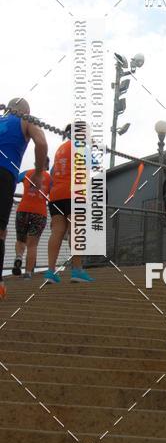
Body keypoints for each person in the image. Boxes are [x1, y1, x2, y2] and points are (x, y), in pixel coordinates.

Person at [0, 99, 48, 298]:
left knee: (19, 239)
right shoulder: (25, 119)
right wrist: (38, 172)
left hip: (23, 208)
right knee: (2, 232)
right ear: (26, 110)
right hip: (4, 174)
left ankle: (17, 263)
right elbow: (42, 142)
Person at [44, 124, 95, 284]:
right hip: (75, 193)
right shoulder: (82, 147)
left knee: (57, 231)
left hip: (56, 195)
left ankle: (51, 272)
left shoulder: (60, 148)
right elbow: (92, 164)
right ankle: (77, 270)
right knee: (76, 230)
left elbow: (52, 172)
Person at [12, 157, 51, 278]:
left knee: (20, 240)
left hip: (23, 209)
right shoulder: (50, 179)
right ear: (47, 165)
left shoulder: (26, 173)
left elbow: (14, 180)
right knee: (32, 245)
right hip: (39, 212)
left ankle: (19, 256)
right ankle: (28, 273)